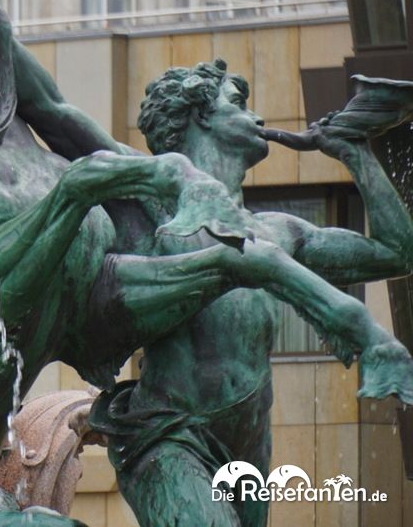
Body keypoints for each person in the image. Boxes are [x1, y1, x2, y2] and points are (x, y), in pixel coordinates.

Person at [85, 59, 413, 527]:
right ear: (200, 116)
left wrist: (355, 152)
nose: (257, 118)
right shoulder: (153, 196)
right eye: (239, 104)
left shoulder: (278, 231)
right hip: (170, 434)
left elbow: (396, 253)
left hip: (249, 442)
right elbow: (52, 110)